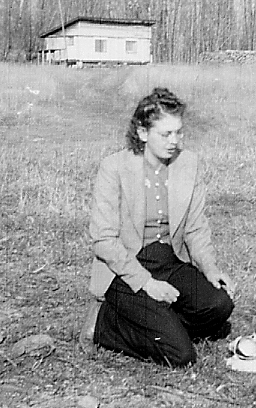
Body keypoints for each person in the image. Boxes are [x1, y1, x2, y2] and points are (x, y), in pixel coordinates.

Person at [80, 87, 235, 366]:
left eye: (179, 132)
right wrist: (147, 284)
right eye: (166, 134)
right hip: (124, 269)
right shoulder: (113, 168)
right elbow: (103, 240)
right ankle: (104, 323)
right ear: (142, 133)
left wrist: (210, 269)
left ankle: (158, 322)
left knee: (220, 305)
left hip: (168, 259)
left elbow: (195, 228)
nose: (175, 141)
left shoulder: (189, 164)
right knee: (181, 355)